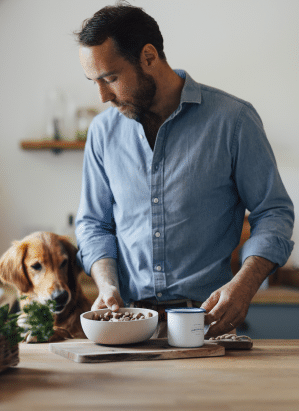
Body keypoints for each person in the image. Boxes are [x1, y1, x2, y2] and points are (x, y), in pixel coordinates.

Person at [74, 2, 294, 337]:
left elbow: (274, 212)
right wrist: (107, 286)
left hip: (208, 326)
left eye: (111, 78)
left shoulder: (233, 121)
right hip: (130, 328)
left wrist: (245, 285)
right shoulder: (103, 133)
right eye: (95, 82)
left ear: (149, 57)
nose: (103, 96)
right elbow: (94, 223)